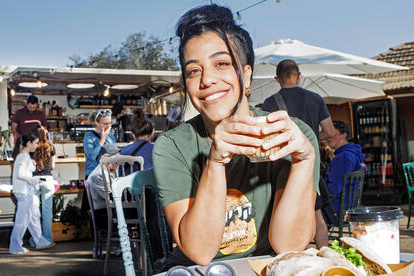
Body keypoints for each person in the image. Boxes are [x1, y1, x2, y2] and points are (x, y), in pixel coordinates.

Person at [153, 4, 320, 267]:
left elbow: (289, 245)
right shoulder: (172, 146)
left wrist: (304, 160)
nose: (206, 79)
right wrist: (215, 162)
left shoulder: (293, 136)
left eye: (221, 64)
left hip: (268, 268)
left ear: (246, 74)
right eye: (193, 70)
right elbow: (200, 252)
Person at [261, 59, 335, 248]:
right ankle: (325, 254)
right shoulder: (315, 98)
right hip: (309, 163)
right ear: (298, 75)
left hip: (279, 165)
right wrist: (310, 138)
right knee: (316, 213)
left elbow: (264, 137)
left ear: (277, 78)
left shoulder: (269, 103)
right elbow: (330, 131)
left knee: (279, 214)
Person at [9, 131, 55, 254]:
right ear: (28, 143)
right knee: (22, 220)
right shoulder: (24, 156)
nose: (36, 146)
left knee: (34, 216)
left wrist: (32, 165)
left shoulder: (23, 156)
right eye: (35, 143)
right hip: (24, 191)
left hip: (25, 190)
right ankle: (15, 247)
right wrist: (35, 179)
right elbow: (21, 174)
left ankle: (40, 241)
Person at [326, 120, 365, 214]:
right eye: (328, 134)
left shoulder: (343, 157)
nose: (329, 137)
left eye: (333, 134)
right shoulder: (353, 154)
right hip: (349, 207)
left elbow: (334, 189)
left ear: (343, 136)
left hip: (337, 209)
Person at [29, 126, 56, 246]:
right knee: (47, 212)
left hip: (34, 179)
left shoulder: (31, 147)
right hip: (48, 180)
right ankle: (48, 240)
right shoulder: (51, 147)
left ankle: (35, 241)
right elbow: (52, 167)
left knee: (34, 212)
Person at [83, 109, 116, 178]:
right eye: (105, 124)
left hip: (109, 175)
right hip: (93, 176)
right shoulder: (89, 136)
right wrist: (102, 139)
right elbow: (92, 157)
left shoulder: (111, 136)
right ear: (96, 123)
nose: (108, 126)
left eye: (110, 123)